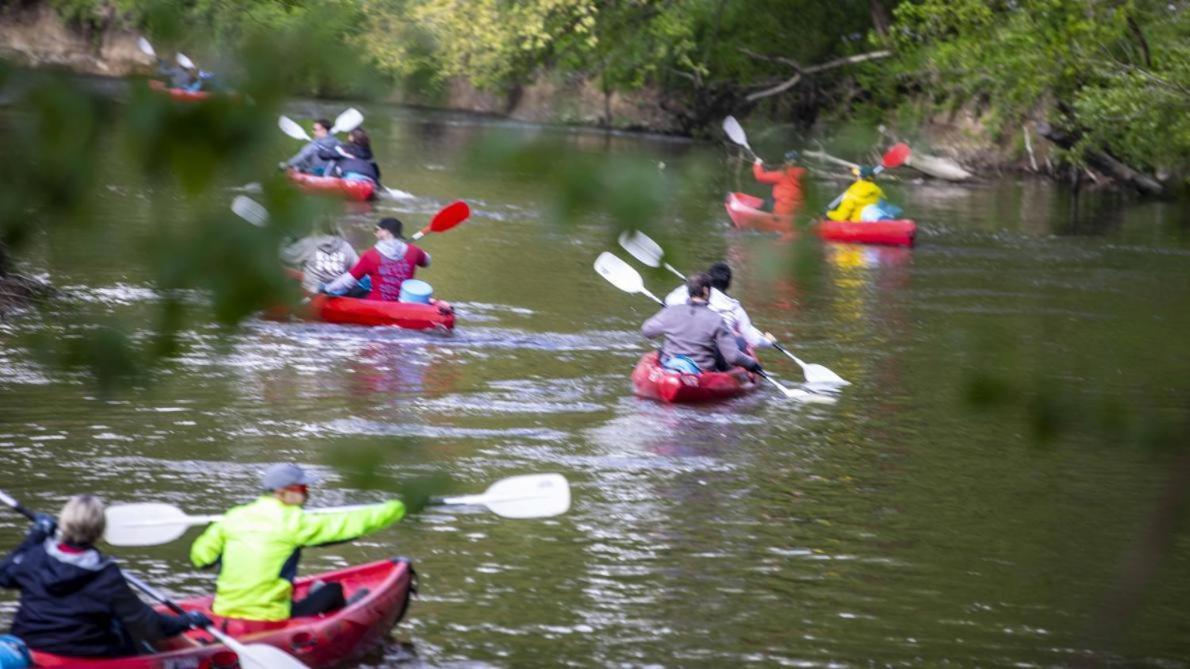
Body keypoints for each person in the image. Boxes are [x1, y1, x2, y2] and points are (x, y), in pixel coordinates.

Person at [0, 495, 209, 658]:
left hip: (29, 644)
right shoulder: (105, 574)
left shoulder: (36, 556)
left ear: (63, 524)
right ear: (99, 533)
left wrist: (35, 536)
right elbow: (146, 624)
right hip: (84, 653)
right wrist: (187, 621)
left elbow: (4, 576)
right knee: (126, 630)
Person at [190, 464, 405, 621]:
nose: (307, 494)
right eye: (302, 490)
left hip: (223, 609)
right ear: (282, 493)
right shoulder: (294, 522)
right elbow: (351, 524)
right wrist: (399, 507)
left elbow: (200, 559)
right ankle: (341, 616)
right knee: (332, 591)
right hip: (269, 615)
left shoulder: (232, 517)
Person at [642, 273, 763, 375]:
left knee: (662, 349)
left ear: (689, 291)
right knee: (738, 342)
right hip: (701, 372)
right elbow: (732, 356)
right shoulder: (716, 319)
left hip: (670, 367)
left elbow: (647, 331)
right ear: (706, 291)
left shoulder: (671, 311)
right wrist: (752, 364)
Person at [663, 262, 775, 352]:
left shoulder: (688, 292)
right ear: (729, 284)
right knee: (741, 341)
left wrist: (690, 286)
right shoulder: (735, 308)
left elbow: (667, 302)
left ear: (708, 279)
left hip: (684, 345)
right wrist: (769, 341)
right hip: (716, 355)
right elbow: (754, 341)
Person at [322, 218, 429, 302]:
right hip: (403, 301)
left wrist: (326, 289)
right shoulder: (414, 251)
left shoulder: (371, 255)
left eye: (377, 230)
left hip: (376, 304)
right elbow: (427, 262)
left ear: (385, 232)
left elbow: (347, 281)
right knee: (365, 280)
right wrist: (416, 253)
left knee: (352, 284)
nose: (375, 233)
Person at [279, 220, 369, 297]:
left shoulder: (309, 243)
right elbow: (358, 270)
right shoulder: (345, 246)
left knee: (288, 271)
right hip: (338, 289)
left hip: (318, 290)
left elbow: (286, 256)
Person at [753, 151, 806, 216]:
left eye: (786, 161)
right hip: (798, 212)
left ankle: (757, 216)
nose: (785, 162)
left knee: (768, 200)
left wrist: (757, 164)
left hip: (783, 210)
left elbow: (760, 177)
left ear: (790, 162)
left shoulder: (783, 174)